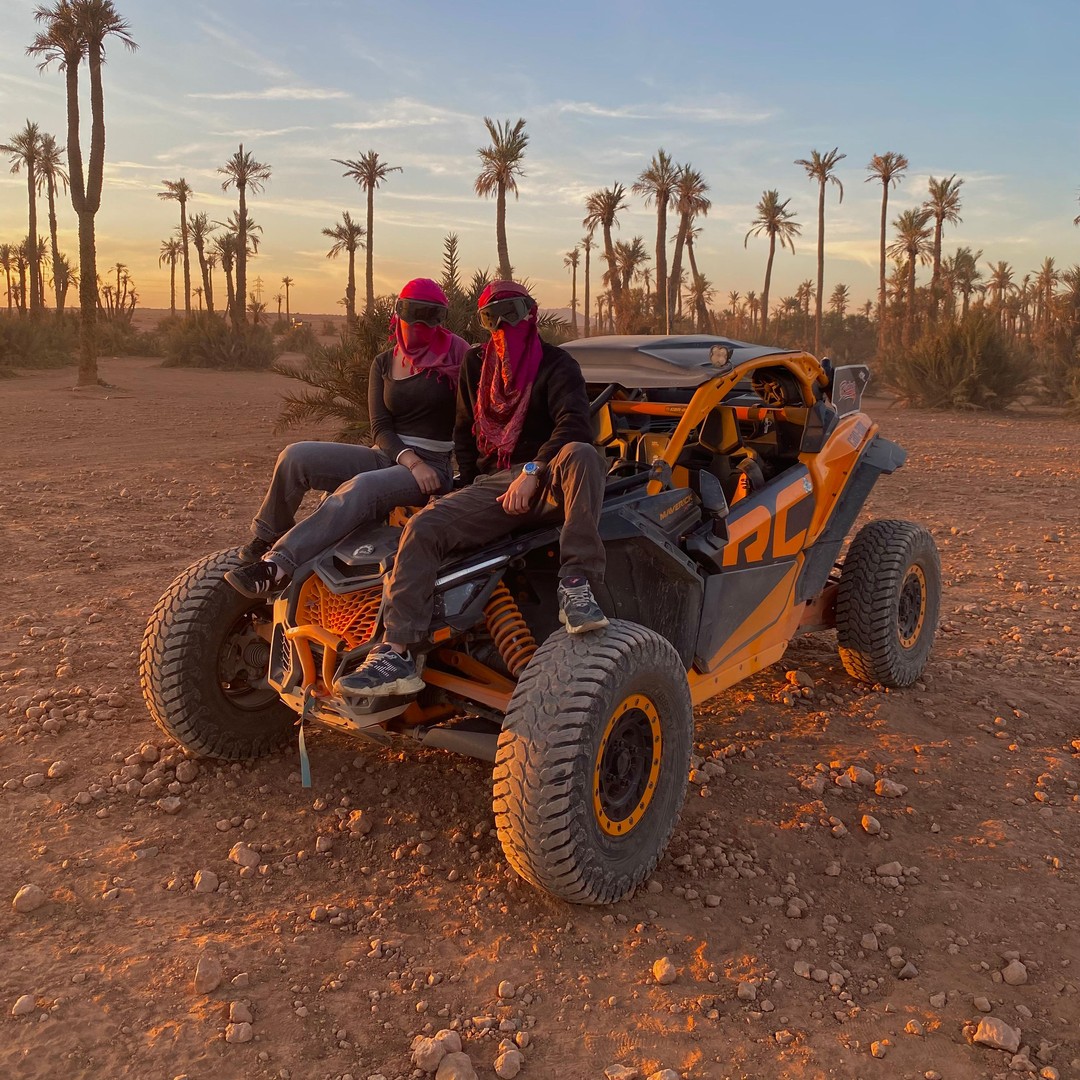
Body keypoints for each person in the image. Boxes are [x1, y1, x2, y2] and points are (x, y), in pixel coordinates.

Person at [336, 280, 608, 698]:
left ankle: (576, 584)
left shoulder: (557, 364)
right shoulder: (477, 365)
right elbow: (464, 433)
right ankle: (397, 654)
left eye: (510, 313)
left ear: (530, 313)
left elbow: (574, 424)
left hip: (550, 476)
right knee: (423, 528)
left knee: (583, 453)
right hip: (495, 484)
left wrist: (532, 470)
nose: (502, 325)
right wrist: (462, 487)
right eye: (489, 317)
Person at [225, 278, 470, 598]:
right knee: (295, 456)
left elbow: (479, 413)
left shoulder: (459, 355)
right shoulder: (384, 362)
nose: (421, 323)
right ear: (398, 313)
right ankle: (268, 534)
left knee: (362, 487)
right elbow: (381, 427)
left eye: (432, 315)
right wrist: (409, 461)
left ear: (442, 319)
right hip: (391, 455)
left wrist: (461, 474)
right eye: (413, 312)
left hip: (432, 465)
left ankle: (278, 565)